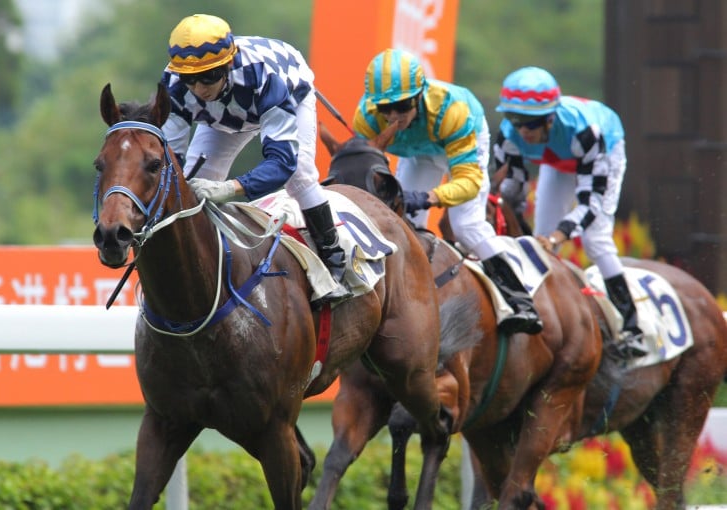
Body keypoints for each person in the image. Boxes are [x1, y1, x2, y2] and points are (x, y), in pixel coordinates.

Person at [160, 14, 349, 303]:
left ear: (227, 64)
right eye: (190, 80)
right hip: (221, 118)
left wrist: (230, 189)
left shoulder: (264, 76)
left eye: (208, 76)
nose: (199, 89)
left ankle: (334, 262)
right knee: (195, 183)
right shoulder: (173, 83)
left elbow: (282, 163)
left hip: (285, 93)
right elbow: (169, 161)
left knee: (299, 174)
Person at [353, 48, 542, 335]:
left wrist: (429, 198)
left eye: (402, 106)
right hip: (419, 153)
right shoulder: (365, 119)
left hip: (461, 143)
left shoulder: (453, 112)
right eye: (384, 109)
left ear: (419, 95)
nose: (393, 117)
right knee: (401, 227)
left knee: (466, 224)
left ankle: (520, 301)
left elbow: (468, 183)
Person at [493, 65, 648, 359]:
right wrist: (531, 237)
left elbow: (591, 204)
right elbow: (511, 198)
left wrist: (558, 237)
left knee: (595, 239)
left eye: (530, 123)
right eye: (514, 119)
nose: (522, 130)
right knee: (539, 237)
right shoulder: (508, 135)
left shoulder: (587, 132)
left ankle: (632, 327)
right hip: (557, 159)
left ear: (550, 118)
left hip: (602, 147)